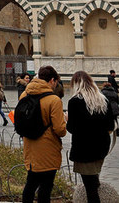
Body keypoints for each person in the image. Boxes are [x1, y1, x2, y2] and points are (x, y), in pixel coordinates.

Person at [20, 65, 67, 203]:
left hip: (30, 146)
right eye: (56, 82)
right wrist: (64, 120)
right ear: (52, 80)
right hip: (48, 149)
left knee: (30, 184)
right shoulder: (54, 100)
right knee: (46, 188)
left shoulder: (25, 94)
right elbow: (60, 130)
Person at [67, 71, 115, 203]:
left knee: (90, 187)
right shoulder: (103, 100)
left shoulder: (75, 102)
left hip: (84, 149)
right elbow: (110, 126)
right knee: (94, 180)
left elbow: (71, 128)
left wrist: (67, 119)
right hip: (102, 147)